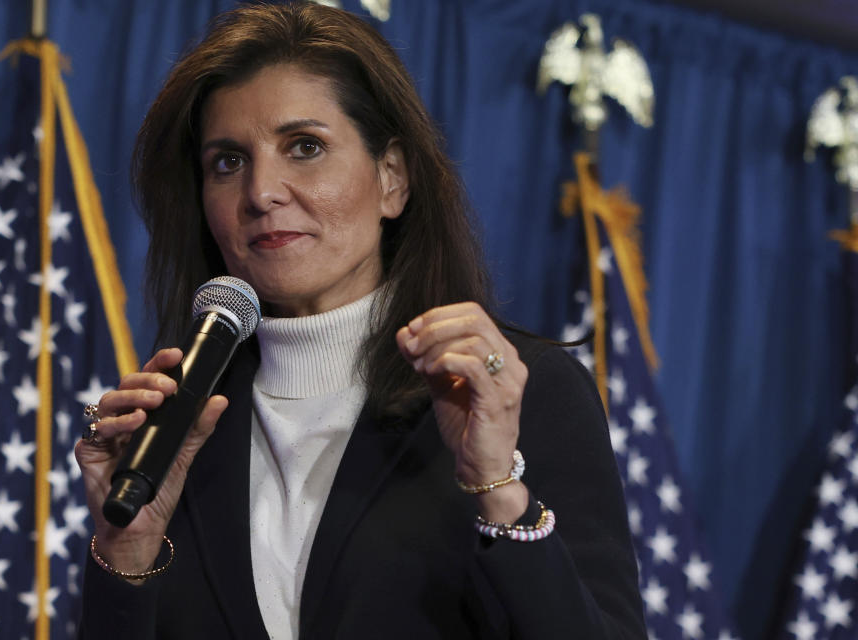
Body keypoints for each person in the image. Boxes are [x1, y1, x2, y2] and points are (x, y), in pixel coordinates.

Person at [75, 3, 646, 638]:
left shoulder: (516, 394)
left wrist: (496, 486)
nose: (261, 192)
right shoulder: (177, 431)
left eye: (305, 147)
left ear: (392, 179)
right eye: (228, 162)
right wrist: (127, 552)